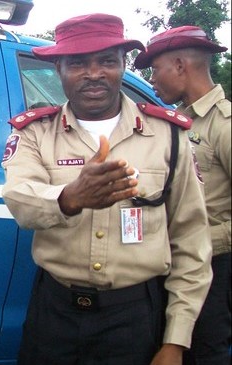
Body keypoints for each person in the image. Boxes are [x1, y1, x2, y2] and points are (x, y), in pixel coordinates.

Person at [1, 13, 213, 365]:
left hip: (135, 318)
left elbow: (192, 242)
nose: (94, 73)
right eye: (78, 63)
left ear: (123, 64)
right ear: (58, 69)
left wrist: (176, 340)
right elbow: (19, 199)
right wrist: (70, 198)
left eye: (107, 61)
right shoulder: (33, 133)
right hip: (55, 314)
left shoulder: (169, 136)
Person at [135, 26, 231, 365]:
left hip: (213, 268)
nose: (152, 80)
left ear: (179, 66)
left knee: (203, 352)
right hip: (176, 262)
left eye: (155, 69)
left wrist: (201, 238)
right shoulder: (180, 123)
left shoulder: (224, 125)